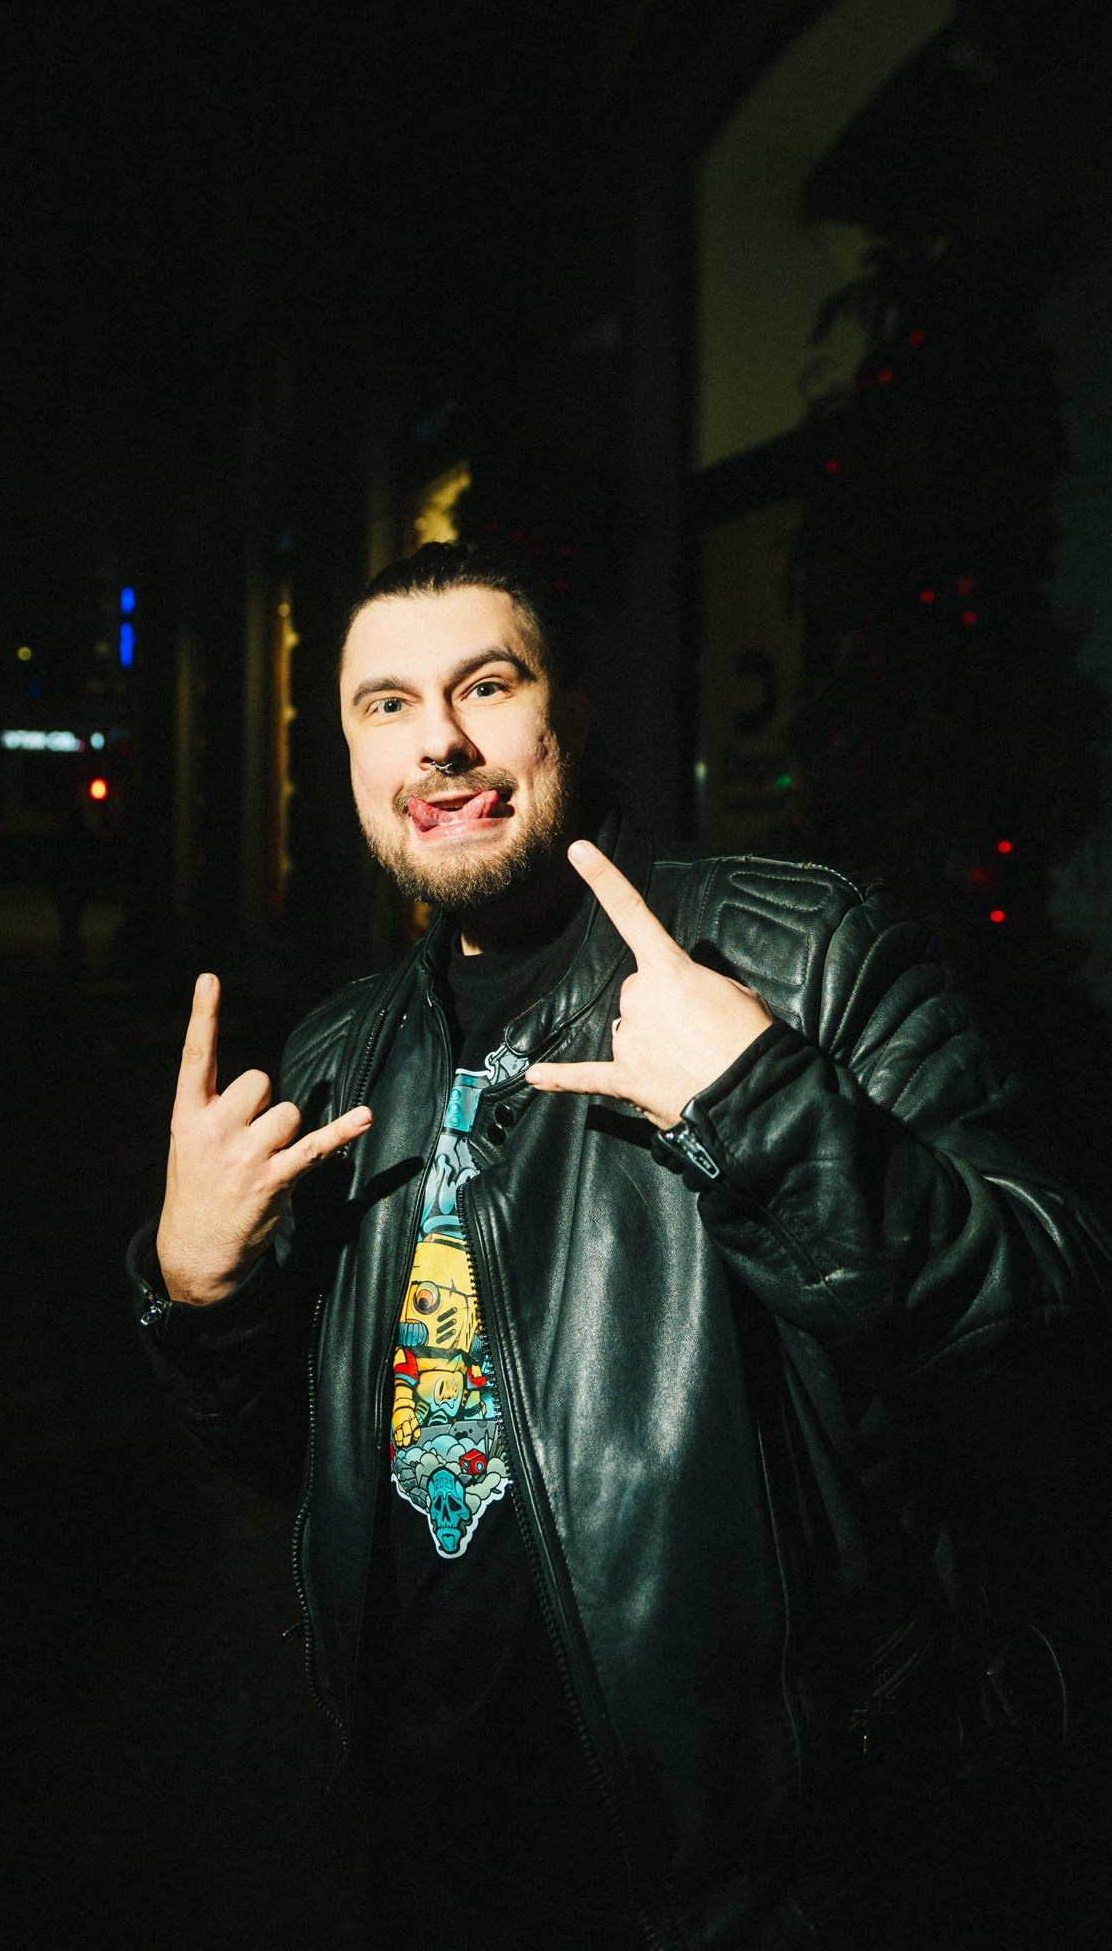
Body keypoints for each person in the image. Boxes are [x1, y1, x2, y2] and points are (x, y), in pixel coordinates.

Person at [129, 542, 1108, 1949]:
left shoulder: (798, 954)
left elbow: (1053, 1326)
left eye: (486, 686)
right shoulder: (344, 1055)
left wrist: (763, 1106)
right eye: (386, 705)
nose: (439, 741)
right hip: (437, 1861)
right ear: (349, 755)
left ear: (571, 717)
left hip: (759, 1878)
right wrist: (203, 1295)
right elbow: (327, 1462)